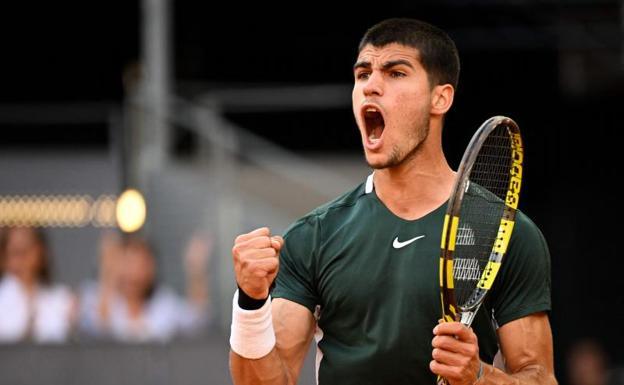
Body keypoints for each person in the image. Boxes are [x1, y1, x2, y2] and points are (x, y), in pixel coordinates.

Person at [229, 18, 556, 385]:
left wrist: (480, 376)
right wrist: (251, 303)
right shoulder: (313, 236)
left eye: (396, 73)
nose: (371, 86)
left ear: (440, 97)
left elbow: (539, 377)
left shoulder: (504, 232)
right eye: (363, 74)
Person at [79, 232, 212, 342]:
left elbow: (196, 319)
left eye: (140, 264)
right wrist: (107, 274)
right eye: (127, 262)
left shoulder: (163, 305)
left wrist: (196, 269)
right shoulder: (94, 297)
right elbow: (97, 327)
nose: (133, 272)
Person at [0, 227, 75, 343]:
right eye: (16, 252)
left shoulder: (61, 299)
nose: (23, 260)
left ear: (41, 252)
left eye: (27, 250)